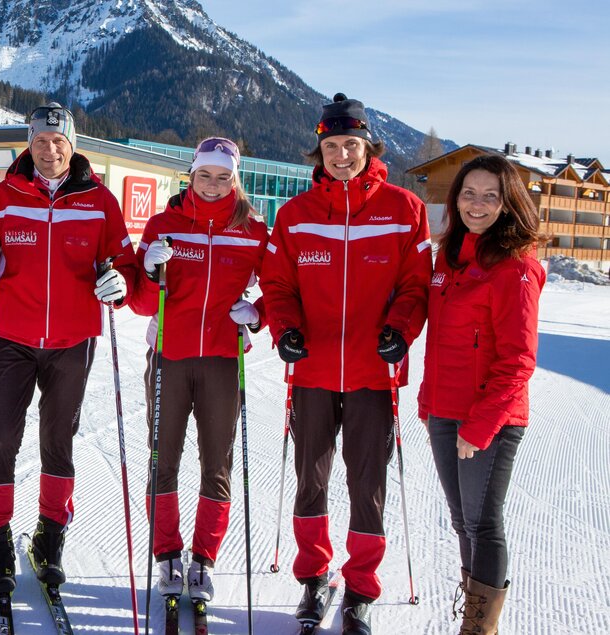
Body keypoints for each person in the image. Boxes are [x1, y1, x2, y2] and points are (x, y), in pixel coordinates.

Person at [260, 93, 431, 634]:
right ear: (320, 150)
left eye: (350, 145)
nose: (341, 155)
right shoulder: (295, 214)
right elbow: (277, 283)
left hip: (372, 372)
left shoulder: (405, 209)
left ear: (367, 146)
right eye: (331, 146)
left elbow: (416, 285)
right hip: (310, 370)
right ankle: (314, 577)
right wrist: (284, 329)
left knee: (366, 482)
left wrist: (399, 332)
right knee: (309, 477)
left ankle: (360, 587)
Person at [0, 102, 139, 594]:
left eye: (59, 142)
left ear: (72, 146)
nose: (50, 149)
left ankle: (49, 535)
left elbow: (124, 264)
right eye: (40, 141)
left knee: (57, 442)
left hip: (72, 342)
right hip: (13, 338)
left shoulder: (101, 201)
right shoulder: (2, 197)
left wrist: (119, 282)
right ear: (29, 145)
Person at [129, 137, 269, 602]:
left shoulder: (253, 229)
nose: (212, 185)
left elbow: (284, 286)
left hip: (223, 361)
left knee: (217, 464)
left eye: (223, 176)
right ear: (191, 174)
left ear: (235, 178)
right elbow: (141, 302)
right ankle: (167, 554)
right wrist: (148, 271)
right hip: (168, 354)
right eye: (204, 175)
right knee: (162, 459)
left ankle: (203, 560)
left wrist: (259, 313)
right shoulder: (164, 224)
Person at [417, 153, 545, 635]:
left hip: (487, 419)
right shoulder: (448, 258)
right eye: (469, 193)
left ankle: (479, 629)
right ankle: (473, 616)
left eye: (491, 195)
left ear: (508, 202)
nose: (477, 204)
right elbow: (442, 340)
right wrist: (428, 401)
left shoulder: (516, 267)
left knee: (483, 525)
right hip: (444, 412)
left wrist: (480, 425)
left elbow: (518, 361)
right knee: (461, 521)